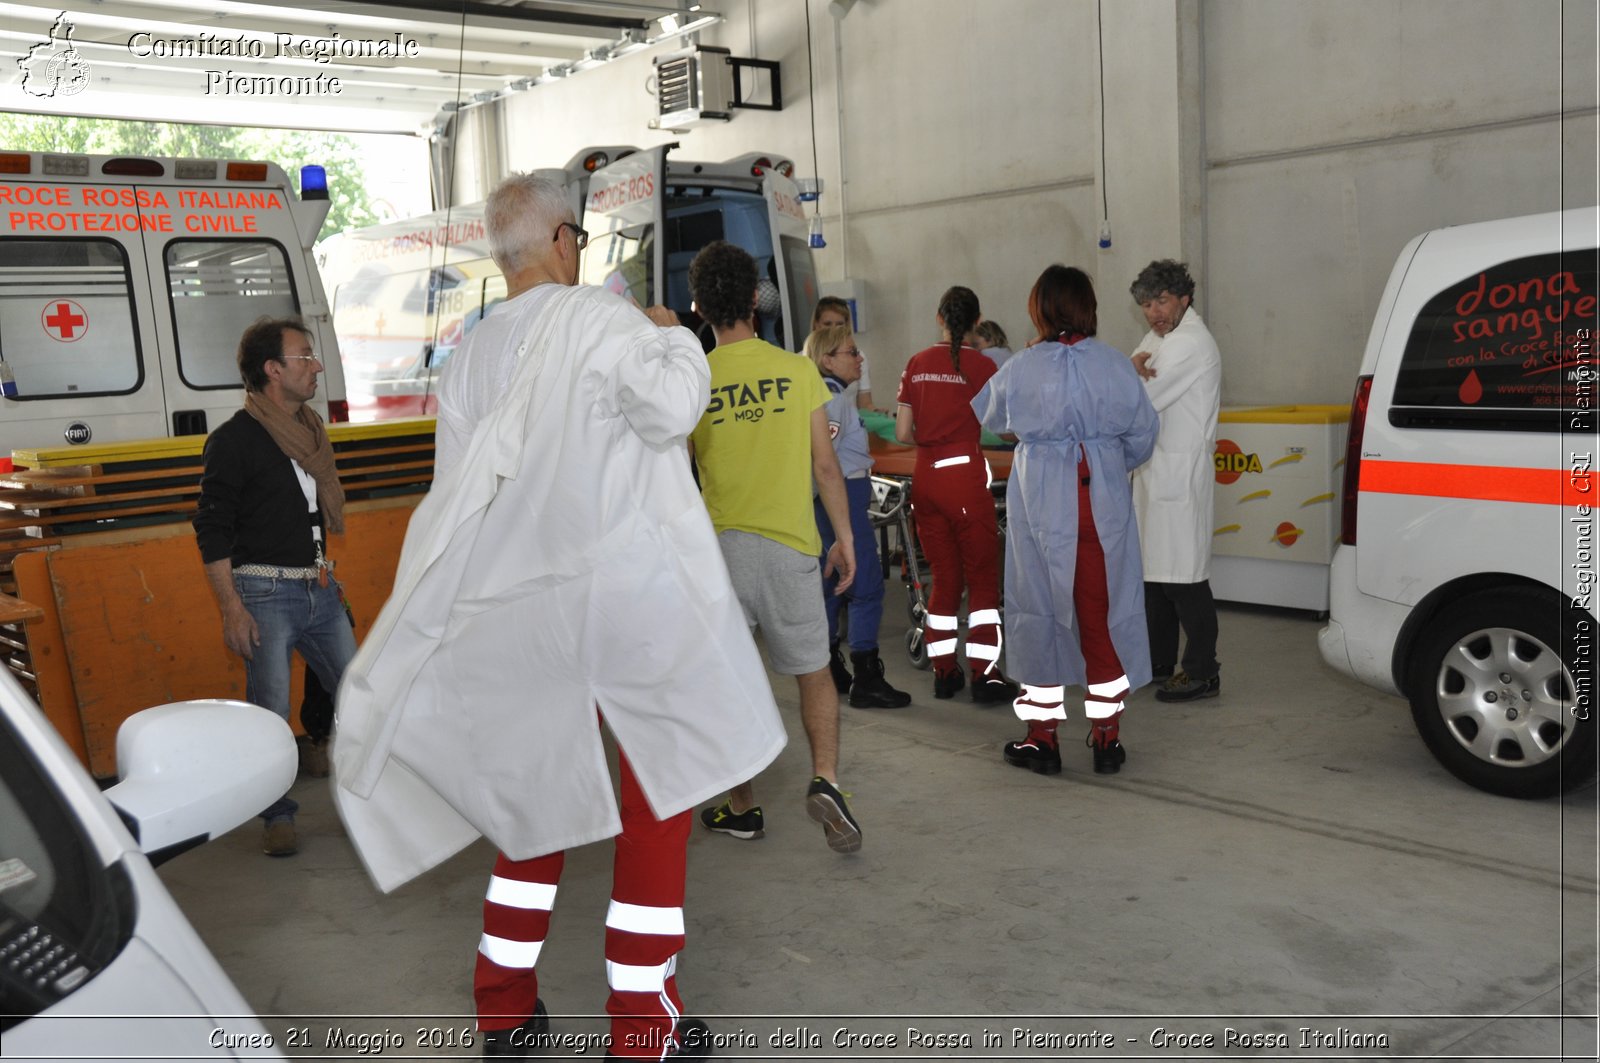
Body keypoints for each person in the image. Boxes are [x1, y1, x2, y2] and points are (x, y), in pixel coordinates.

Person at [331, 174, 786, 1061]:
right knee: (658, 792)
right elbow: (670, 411)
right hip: (624, 599)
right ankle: (640, 1026)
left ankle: (503, 1007)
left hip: (518, 609)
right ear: (564, 243)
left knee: (531, 799)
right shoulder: (600, 319)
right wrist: (676, 341)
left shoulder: (470, 356)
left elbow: (461, 492)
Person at [689, 241, 864, 855]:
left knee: (733, 682)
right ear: (755, 305)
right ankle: (828, 780)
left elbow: (674, 473)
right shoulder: (797, 372)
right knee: (814, 672)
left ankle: (743, 806)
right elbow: (825, 467)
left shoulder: (694, 379)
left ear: (700, 309)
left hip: (722, 553)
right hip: (792, 547)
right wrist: (843, 539)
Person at [973, 265, 1159, 774]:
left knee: (1038, 616)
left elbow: (993, 420)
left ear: (1040, 309)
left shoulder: (1021, 367)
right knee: (1103, 618)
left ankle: (1043, 738)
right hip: (1100, 506)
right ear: (1088, 307)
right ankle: (1106, 737)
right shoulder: (1115, 365)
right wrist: (1102, 459)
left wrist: (1044, 436)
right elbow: (1143, 434)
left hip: (1041, 506)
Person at [194, 317, 356, 859]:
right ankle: (277, 816)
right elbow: (211, 529)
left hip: (320, 586)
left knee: (360, 696)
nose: (316, 366)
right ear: (272, 370)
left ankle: (370, 802)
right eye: (304, 356)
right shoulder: (233, 441)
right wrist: (230, 609)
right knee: (269, 714)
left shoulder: (311, 430)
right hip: (264, 594)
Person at [895, 286, 1019, 704]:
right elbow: (1004, 428)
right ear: (977, 319)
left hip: (925, 480)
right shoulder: (983, 365)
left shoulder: (916, 363)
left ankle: (944, 672)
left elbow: (901, 433)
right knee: (982, 582)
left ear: (938, 317)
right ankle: (984, 676)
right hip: (964, 478)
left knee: (944, 579)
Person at [1128, 259, 1224, 702]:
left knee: (1185, 579)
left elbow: (1141, 397)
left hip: (1180, 473)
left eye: (1161, 301)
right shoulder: (1160, 336)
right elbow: (1136, 367)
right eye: (1146, 304)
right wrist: (1135, 368)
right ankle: (1158, 662)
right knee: (1155, 577)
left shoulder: (1190, 343)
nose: (1153, 312)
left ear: (1184, 298)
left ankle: (1203, 671)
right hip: (1155, 471)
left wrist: (1135, 374)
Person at [805, 323, 912, 709]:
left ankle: (831, 664)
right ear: (827, 359)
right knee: (865, 583)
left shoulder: (829, 397)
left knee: (833, 582)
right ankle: (866, 677)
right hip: (842, 497)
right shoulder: (832, 401)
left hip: (832, 499)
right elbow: (824, 462)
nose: (860, 358)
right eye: (851, 352)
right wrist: (841, 523)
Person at [813, 295, 875, 410]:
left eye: (839, 325)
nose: (833, 329)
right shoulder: (800, 360)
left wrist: (876, 416)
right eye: (827, 324)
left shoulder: (860, 357)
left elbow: (866, 404)